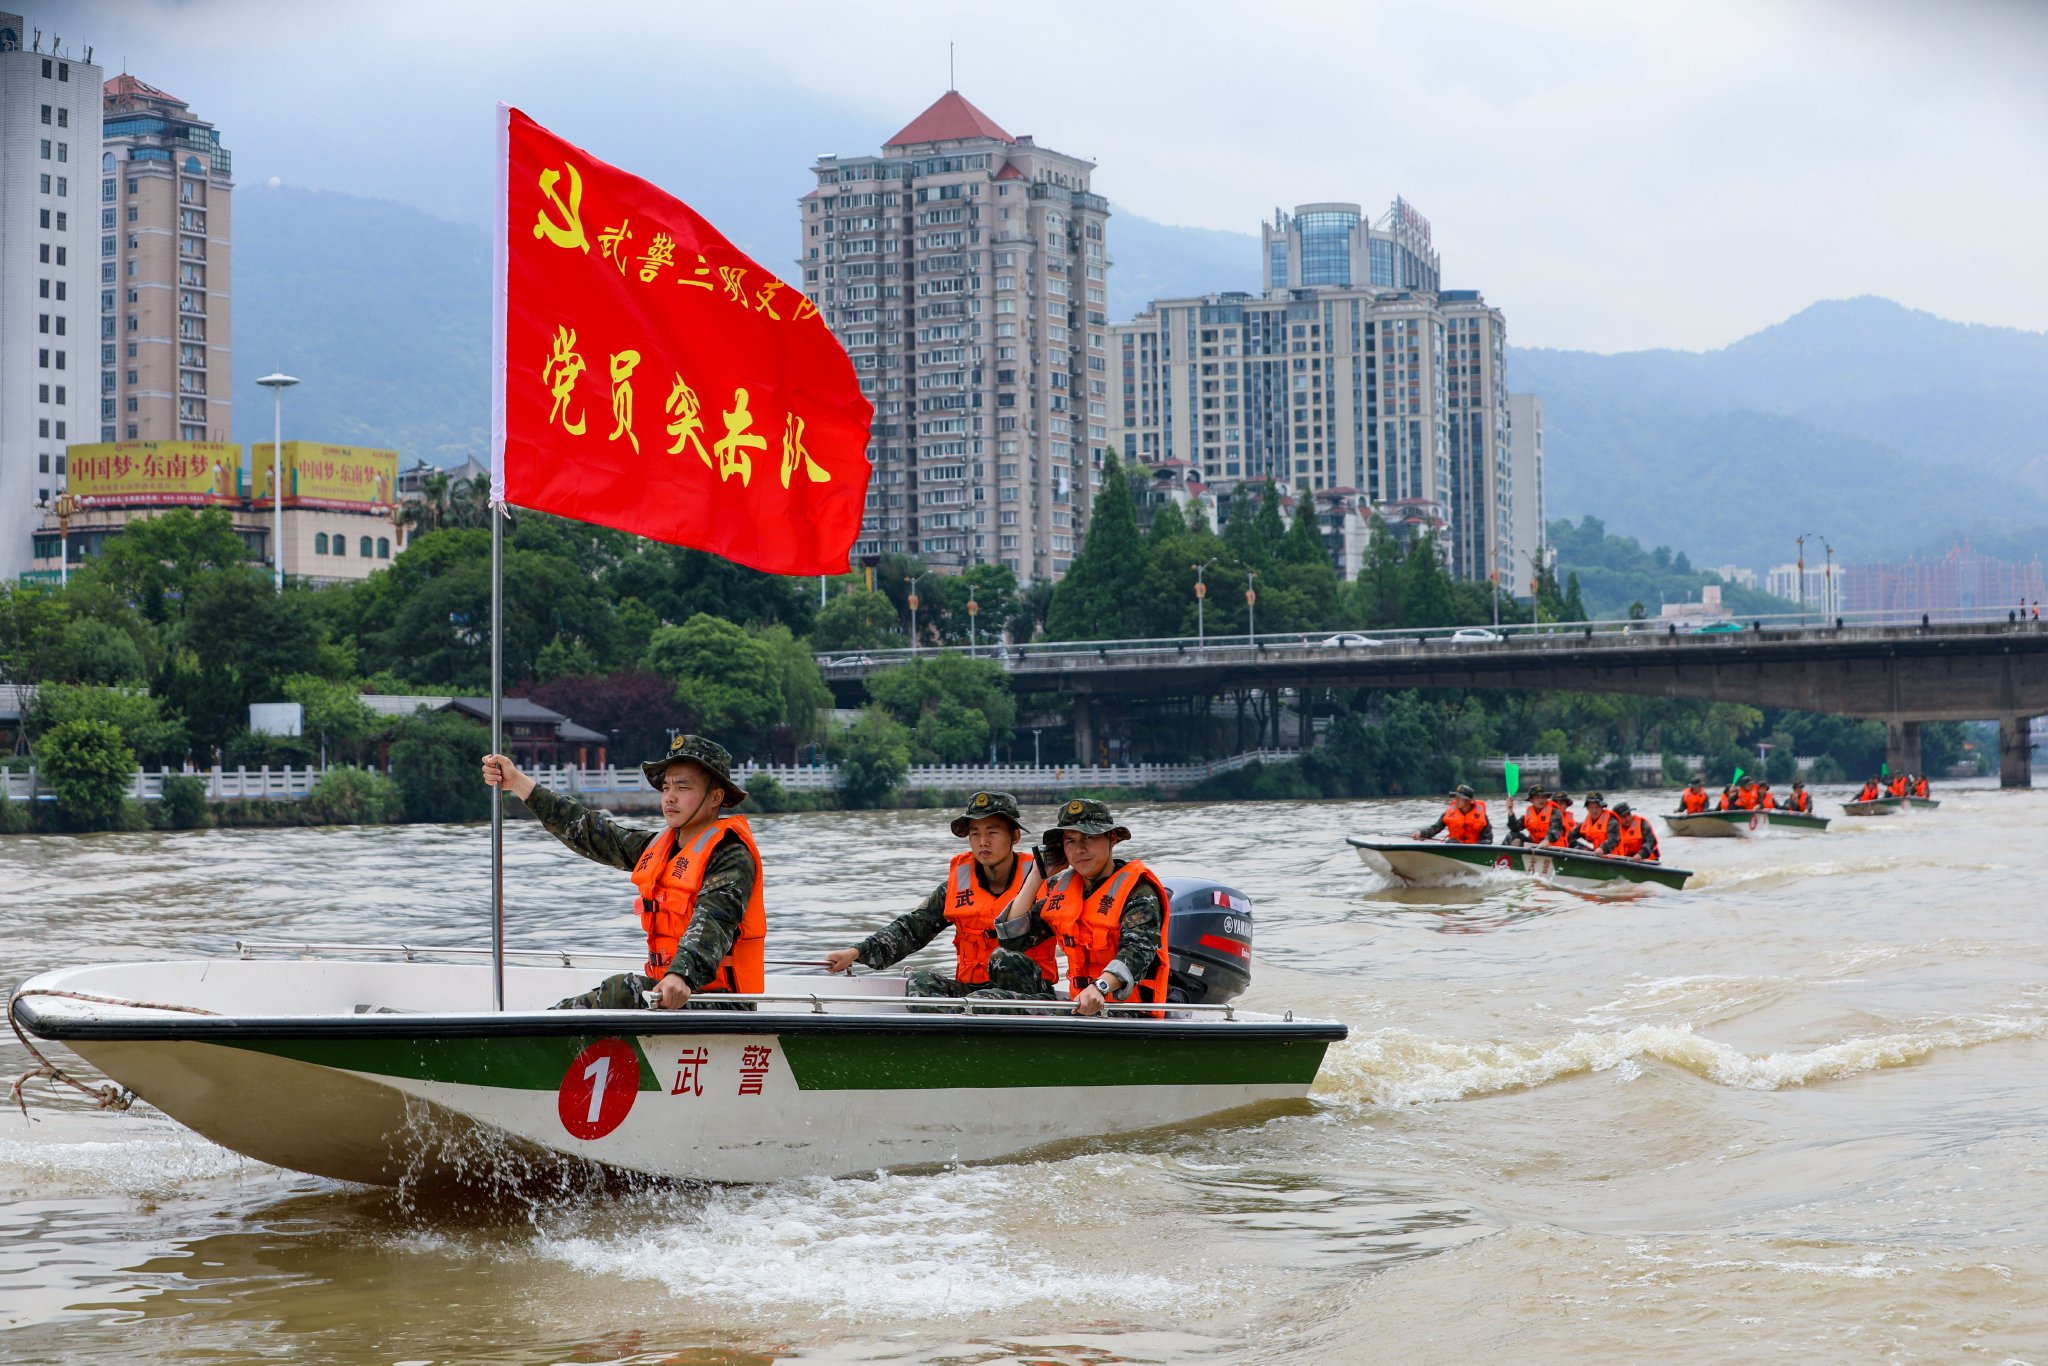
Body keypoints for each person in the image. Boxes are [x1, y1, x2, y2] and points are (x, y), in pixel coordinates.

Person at [481, 734, 763, 1010]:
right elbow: (591, 831)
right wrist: (517, 782)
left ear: (715, 797)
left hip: (720, 1002)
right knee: (631, 990)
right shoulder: (658, 847)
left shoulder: (731, 856)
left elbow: (713, 921)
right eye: (665, 788)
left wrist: (681, 974)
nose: (670, 798)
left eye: (683, 788)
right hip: (670, 993)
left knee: (625, 989)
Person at [822, 792, 1058, 997]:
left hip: (1028, 996)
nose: (982, 842)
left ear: (1014, 837)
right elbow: (911, 928)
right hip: (973, 992)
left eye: (992, 833)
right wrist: (857, 952)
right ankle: (955, 1038)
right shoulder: (956, 887)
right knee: (920, 983)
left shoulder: (1045, 883)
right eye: (975, 834)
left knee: (1006, 960)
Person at [972, 798, 1170, 1016]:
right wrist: (1038, 874)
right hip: (1078, 1005)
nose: (1080, 849)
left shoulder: (1138, 892)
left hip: (1126, 1010)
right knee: (1002, 961)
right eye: (1071, 841)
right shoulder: (1064, 889)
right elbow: (1013, 938)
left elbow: (1138, 953)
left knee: (987, 1005)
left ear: (1112, 838)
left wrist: (1100, 987)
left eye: (1089, 837)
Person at [1415, 784, 1493, 844]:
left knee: (1485, 842)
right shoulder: (1448, 813)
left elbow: (1488, 839)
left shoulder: (1482, 817)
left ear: (1468, 801)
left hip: (1473, 850)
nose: (1456, 800)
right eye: (1456, 797)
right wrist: (1421, 833)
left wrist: (1480, 845)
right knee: (1451, 841)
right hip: (1453, 845)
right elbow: (1435, 828)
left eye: (1459, 798)